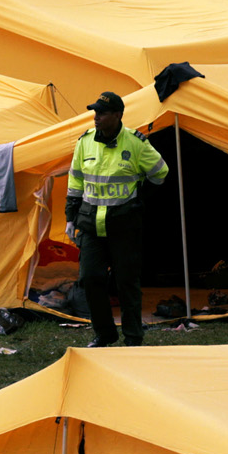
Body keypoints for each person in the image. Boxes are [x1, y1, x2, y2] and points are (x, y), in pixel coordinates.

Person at [65, 92, 169, 347]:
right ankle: (104, 334)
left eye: (102, 113)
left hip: (124, 226)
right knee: (90, 279)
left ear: (118, 115)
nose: (96, 117)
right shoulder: (84, 142)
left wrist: (139, 197)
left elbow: (160, 172)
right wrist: (70, 217)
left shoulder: (135, 143)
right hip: (91, 224)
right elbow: (75, 181)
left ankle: (133, 337)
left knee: (127, 283)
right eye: (95, 112)